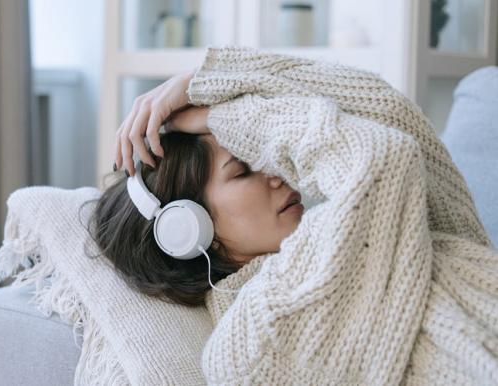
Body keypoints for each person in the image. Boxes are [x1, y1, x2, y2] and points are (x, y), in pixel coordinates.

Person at [91, 47, 498, 384]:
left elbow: (392, 116)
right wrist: (228, 117)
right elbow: (385, 158)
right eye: (244, 168)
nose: (276, 171)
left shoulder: (360, 227)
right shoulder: (253, 339)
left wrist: (209, 80)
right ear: (192, 229)